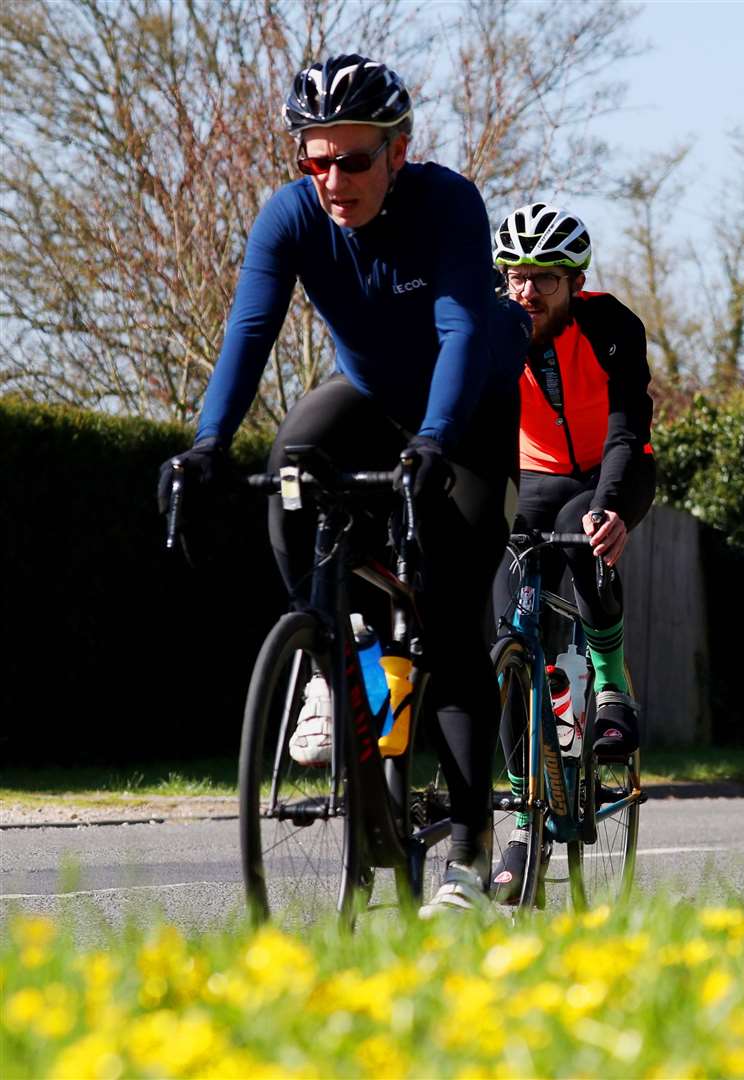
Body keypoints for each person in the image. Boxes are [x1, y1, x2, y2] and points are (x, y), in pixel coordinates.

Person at [155, 54, 521, 917]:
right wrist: (207, 444)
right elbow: (249, 329)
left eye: (352, 160)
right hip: (367, 394)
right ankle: (330, 661)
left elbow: (464, 327)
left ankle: (467, 854)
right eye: (313, 159)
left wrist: (434, 437)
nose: (331, 180)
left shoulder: (447, 203)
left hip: (463, 413)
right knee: (288, 468)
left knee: (450, 598)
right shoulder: (289, 217)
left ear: (397, 150)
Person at [487, 203, 656, 902]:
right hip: (536, 472)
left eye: (544, 281)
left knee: (585, 532)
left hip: (612, 468)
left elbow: (627, 427)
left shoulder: (611, 324)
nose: (528, 293)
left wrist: (611, 506)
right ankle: (524, 820)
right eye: (517, 278)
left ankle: (610, 682)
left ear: (573, 281)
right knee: (504, 631)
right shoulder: (490, 327)